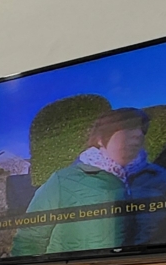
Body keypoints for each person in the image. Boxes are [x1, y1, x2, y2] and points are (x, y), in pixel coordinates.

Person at [12, 108, 152, 256]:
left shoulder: (161, 178)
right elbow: (29, 240)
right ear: (100, 138)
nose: (138, 135)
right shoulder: (63, 181)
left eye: (142, 130)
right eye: (129, 128)